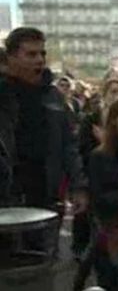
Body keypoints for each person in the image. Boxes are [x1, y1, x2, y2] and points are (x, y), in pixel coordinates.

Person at [0, 27, 88, 236]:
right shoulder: (3, 94)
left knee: (42, 258)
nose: (39, 60)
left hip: (45, 192)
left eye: (42, 53)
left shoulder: (53, 96)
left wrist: (78, 186)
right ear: (11, 57)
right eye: (31, 54)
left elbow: (68, 144)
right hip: (8, 193)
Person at [74, 95, 118, 291]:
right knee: (107, 272)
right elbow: (99, 196)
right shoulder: (100, 156)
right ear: (113, 120)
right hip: (110, 222)